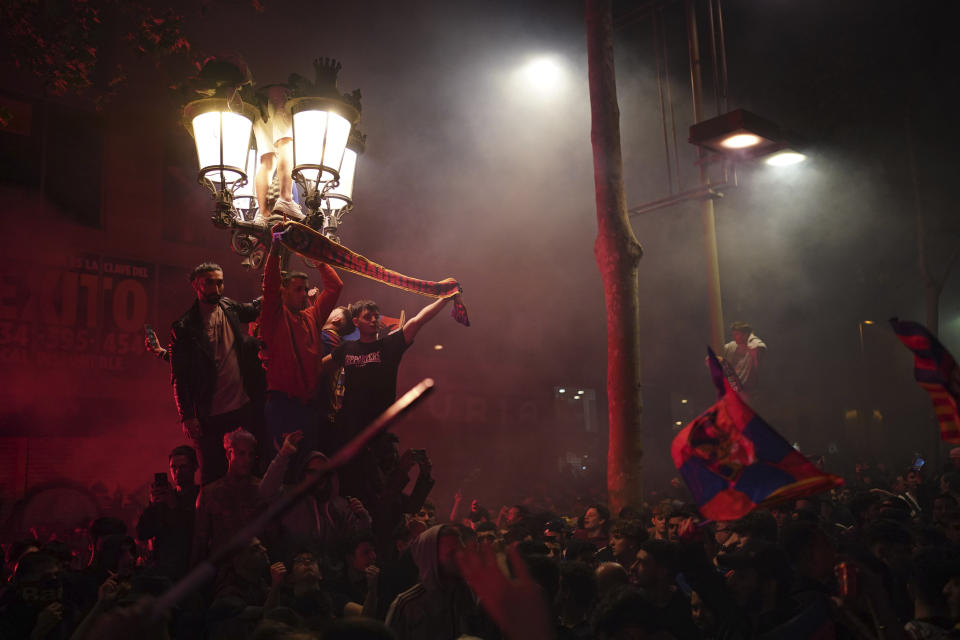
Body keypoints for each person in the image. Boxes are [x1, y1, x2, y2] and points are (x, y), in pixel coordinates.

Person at [169, 262, 266, 484]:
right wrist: (187, 415)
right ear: (196, 284)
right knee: (213, 476)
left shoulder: (228, 307)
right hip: (209, 414)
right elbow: (179, 376)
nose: (216, 287)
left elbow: (254, 309)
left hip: (241, 408)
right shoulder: (183, 327)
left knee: (247, 472)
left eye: (219, 282)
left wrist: (273, 282)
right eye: (209, 282)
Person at [260, 226, 343, 470]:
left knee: (307, 469)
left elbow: (335, 287)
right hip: (282, 406)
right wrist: (275, 246)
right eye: (297, 289)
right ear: (283, 292)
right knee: (282, 467)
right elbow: (270, 284)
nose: (303, 294)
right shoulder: (273, 316)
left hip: (308, 407)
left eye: (305, 289)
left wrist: (317, 261)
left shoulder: (312, 316)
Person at [321, 296, 453, 443]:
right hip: (347, 428)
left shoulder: (390, 345)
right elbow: (317, 369)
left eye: (376, 317)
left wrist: (445, 298)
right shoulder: (346, 348)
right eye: (367, 317)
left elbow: (418, 321)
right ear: (356, 322)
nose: (373, 320)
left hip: (377, 430)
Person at [191, 428, 266, 567]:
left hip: (257, 570)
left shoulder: (261, 489)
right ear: (228, 454)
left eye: (251, 454)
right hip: (223, 572)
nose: (247, 460)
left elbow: (271, 535)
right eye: (241, 454)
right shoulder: (210, 493)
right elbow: (200, 541)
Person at [135, 445, 200, 581]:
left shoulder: (201, 495)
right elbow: (142, 533)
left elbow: (190, 531)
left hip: (190, 568)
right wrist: (153, 505)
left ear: (194, 467)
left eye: (183, 467)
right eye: (173, 467)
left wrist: (172, 505)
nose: (177, 472)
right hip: (163, 568)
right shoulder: (164, 498)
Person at [721, 320, 767, 399]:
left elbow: (759, 346)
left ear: (746, 335)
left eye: (737, 334)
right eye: (734, 334)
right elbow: (718, 351)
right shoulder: (731, 346)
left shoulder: (754, 346)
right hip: (732, 390)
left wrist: (750, 337)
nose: (734, 336)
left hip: (747, 392)